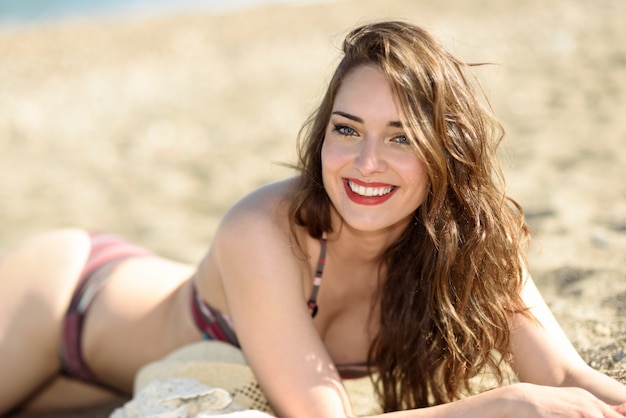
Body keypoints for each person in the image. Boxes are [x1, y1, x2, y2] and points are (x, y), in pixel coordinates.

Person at [1, 20, 625, 418]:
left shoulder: (477, 245)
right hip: (66, 305)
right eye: (346, 129)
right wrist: (504, 405)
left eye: (401, 138)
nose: (366, 162)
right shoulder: (262, 228)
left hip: (103, 388)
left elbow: (568, 374)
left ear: (447, 152)